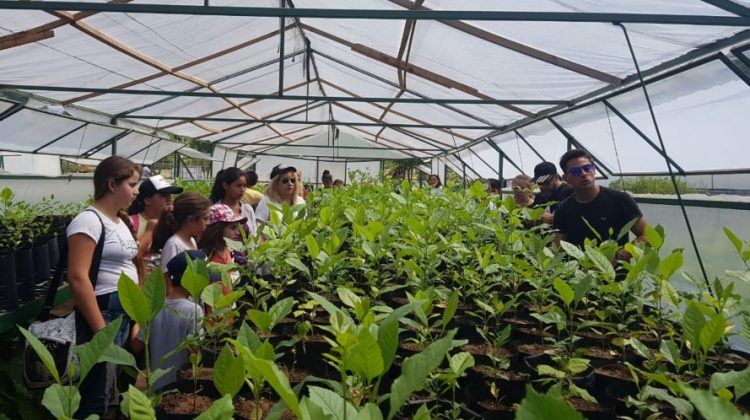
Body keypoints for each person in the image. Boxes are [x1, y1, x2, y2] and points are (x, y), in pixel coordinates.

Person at [66, 156, 141, 418]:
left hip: (121, 312)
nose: (136, 191)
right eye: (132, 184)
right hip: (103, 313)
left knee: (111, 387)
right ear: (111, 184)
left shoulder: (120, 221)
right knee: (95, 392)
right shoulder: (88, 221)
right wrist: (100, 331)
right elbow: (77, 277)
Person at [130, 250, 206, 392]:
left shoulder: (155, 307)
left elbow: (136, 346)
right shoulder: (193, 311)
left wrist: (138, 320)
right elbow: (194, 353)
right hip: (182, 389)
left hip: (156, 386)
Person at [553, 149, 647, 257]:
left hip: (613, 273)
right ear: (565, 178)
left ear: (594, 170)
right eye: (575, 171)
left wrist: (618, 257)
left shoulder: (620, 200)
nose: (583, 174)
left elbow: (646, 236)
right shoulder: (563, 208)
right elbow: (558, 247)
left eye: (587, 168)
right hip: (579, 271)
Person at [151, 192, 211, 290]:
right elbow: (167, 279)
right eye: (205, 218)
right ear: (191, 220)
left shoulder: (191, 239)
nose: (208, 223)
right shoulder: (174, 244)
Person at [127, 175, 183, 264]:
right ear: (147, 200)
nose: (169, 199)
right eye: (164, 195)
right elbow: (130, 258)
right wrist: (150, 232)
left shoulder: (173, 221)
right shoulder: (131, 222)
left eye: (170, 195)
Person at [210, 167, 257, 239]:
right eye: (238, 185)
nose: (242, 190)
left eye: (244, 186)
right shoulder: (215, 211)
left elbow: (254, 235)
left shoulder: (247, 209)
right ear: (225, 186)